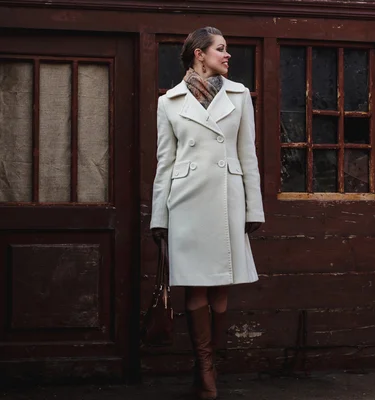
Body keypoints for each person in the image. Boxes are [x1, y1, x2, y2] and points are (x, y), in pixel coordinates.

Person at [150, 26, 264, 400]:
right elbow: (164, 163)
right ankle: (205, 367)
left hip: (227, 198)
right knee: (196, 285)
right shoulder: (170, 102)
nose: (227, 55)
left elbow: (248, 156)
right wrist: (159, 217)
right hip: (187, 201)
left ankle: (210, 364)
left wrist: (254, 207)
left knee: (221, 288)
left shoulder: (239, 95)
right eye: (221, 49)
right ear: (199, 53)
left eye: (226, 49)